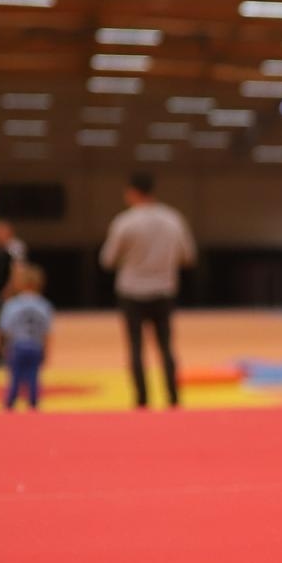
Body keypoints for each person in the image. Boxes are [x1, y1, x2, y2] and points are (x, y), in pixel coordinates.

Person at [100, 173, 195, 409]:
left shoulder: (125, 222)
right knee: (166, 347)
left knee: (135, 348)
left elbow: (108, 259)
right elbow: (188, 256)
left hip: (131, 291)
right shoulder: (173, 219)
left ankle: (142, 400)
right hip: (164, 289)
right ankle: (173, 398)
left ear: (132, 192)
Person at [0, 263, 53, 411]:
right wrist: (47, 350)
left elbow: (5, 329)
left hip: (18, 345)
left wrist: (3, 347)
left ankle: (10, 403)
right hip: (35, 345)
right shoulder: (44, 305)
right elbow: (47, 332)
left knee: (15, 376)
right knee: (34, 376)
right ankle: (33, 403)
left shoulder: (12, 305)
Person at [0, 219, 26, 367]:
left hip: (7, 294)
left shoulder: (14, 247)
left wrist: (10, 291)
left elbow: (17, 270)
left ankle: (7, 355)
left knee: (6, 325)